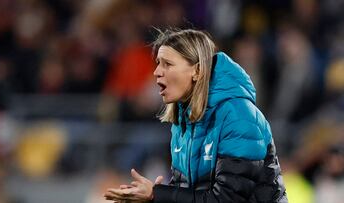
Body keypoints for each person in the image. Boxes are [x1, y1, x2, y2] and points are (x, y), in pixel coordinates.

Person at [104, 28, 288, 202]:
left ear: (197, 71)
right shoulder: (182, 122)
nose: (156, 72)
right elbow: (187, 194)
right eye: (158, 63)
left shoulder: (238, 115)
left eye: (167, 64)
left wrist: (158, 195)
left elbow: (227, 199)